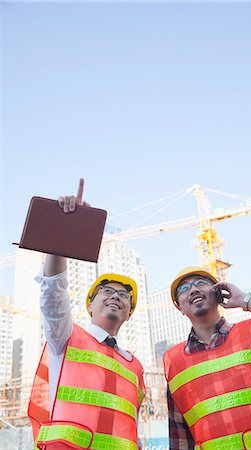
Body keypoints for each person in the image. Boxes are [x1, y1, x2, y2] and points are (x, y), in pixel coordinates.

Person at [28, 179, 146, 450]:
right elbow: (53, 290)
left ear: (129, 314)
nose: (116, 296)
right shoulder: (65, 337)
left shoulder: (135, 367)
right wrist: (66, 231)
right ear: (90, 305)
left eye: (124, 295)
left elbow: (132, 427)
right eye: (106, 291)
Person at [164, 266, 251, 450]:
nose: (193, 289)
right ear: (179, 307)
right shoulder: (174, 361)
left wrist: (245, 299)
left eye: (200, 283)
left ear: (219, 293)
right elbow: (179, 435)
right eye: (183, 289)